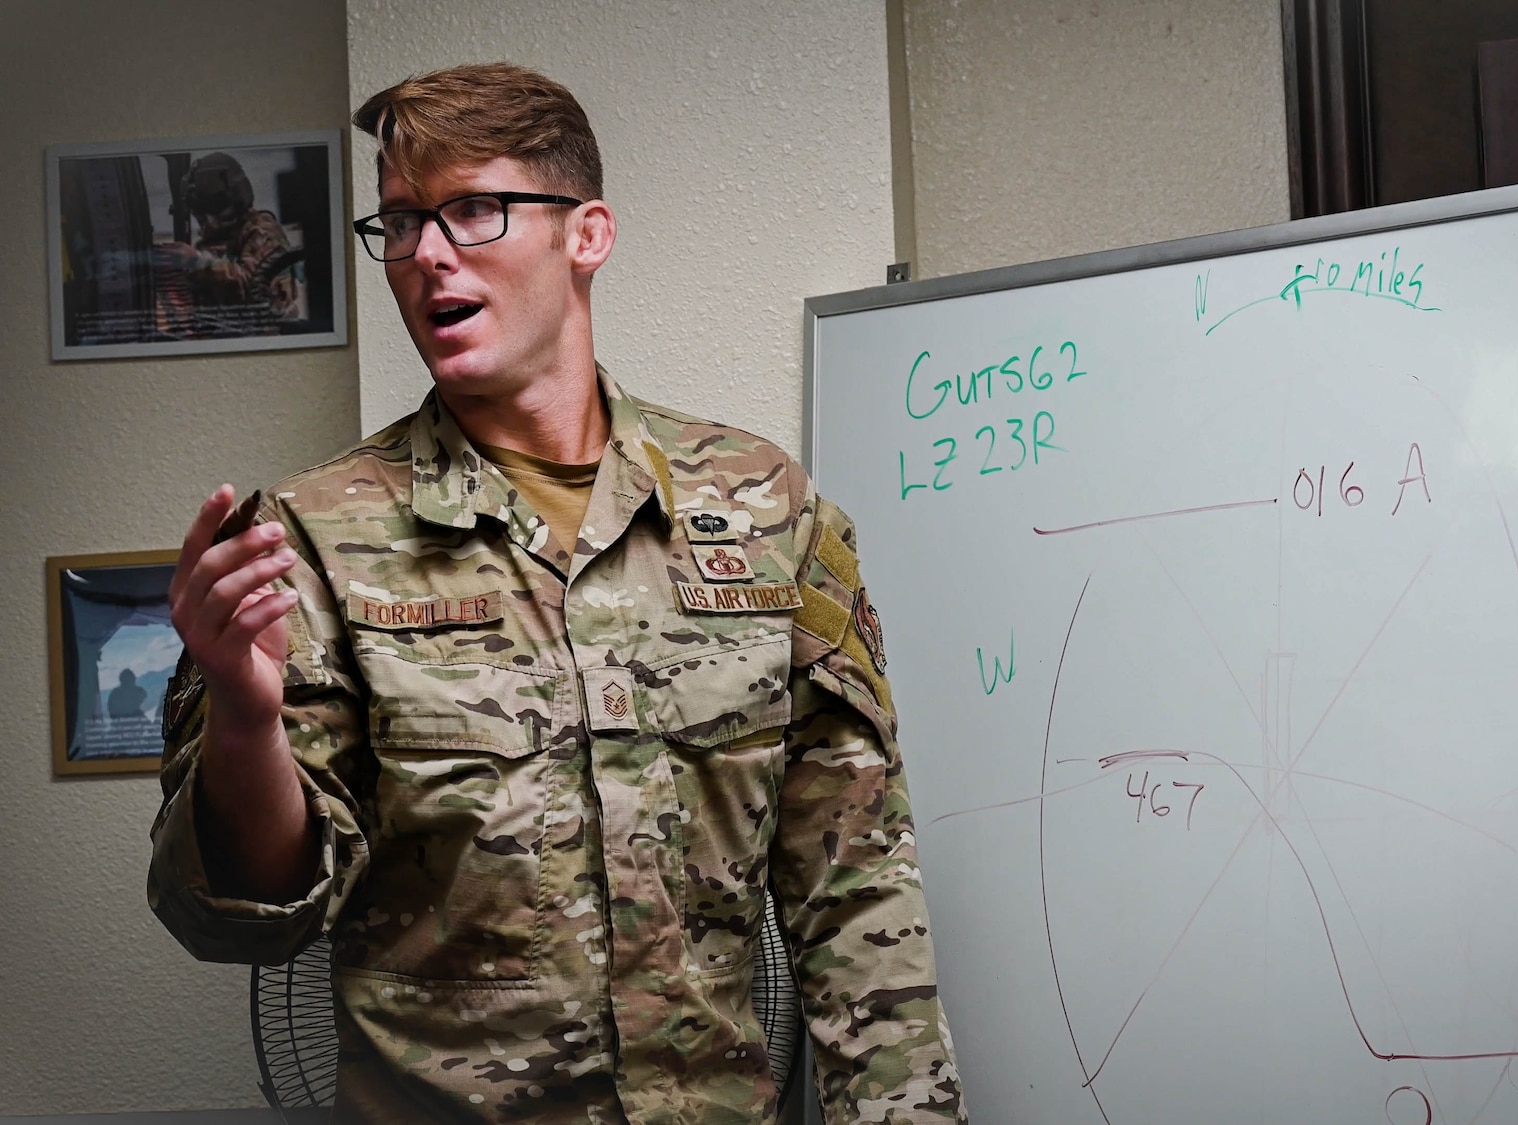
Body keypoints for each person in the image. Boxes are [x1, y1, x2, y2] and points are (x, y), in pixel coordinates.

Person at [148, 62, 963, 1124]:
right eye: (398, 223)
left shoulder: (766, 507)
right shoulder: (308, 540)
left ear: (586, 236)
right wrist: (247, 723)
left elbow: (854, 891)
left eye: (474, 209)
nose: (427, 253)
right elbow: (240, 924)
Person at [153, 151, 299, 335]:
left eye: (208, 212)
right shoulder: (219, 239)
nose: (205, 221)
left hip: (263, 335)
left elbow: (251, 286)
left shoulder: (261, 232)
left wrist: (197, 261)